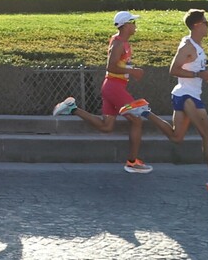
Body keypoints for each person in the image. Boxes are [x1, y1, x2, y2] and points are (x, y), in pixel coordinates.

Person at [145, 9, 208, 194]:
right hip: (188, 97)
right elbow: (173, 69)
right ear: (197, 25)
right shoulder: (188, 46)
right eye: (206, 22)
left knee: (176, 137)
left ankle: (144, 112)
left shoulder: (195, 45)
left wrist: (203, 75)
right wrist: (198, 74)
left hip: (186, 95)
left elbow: (192, 69)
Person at [52, 11, 153, 174]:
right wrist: (133, 71)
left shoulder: (123, 42)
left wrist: (129, 70)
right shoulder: (119, 42)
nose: (135, 25)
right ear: (126, 25)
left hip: (112, 87)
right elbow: (110, 66)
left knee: (107, 126)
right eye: (133, 22)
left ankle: (72, 108)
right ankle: (132, 162)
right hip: (114, 88)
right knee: (137, 121)